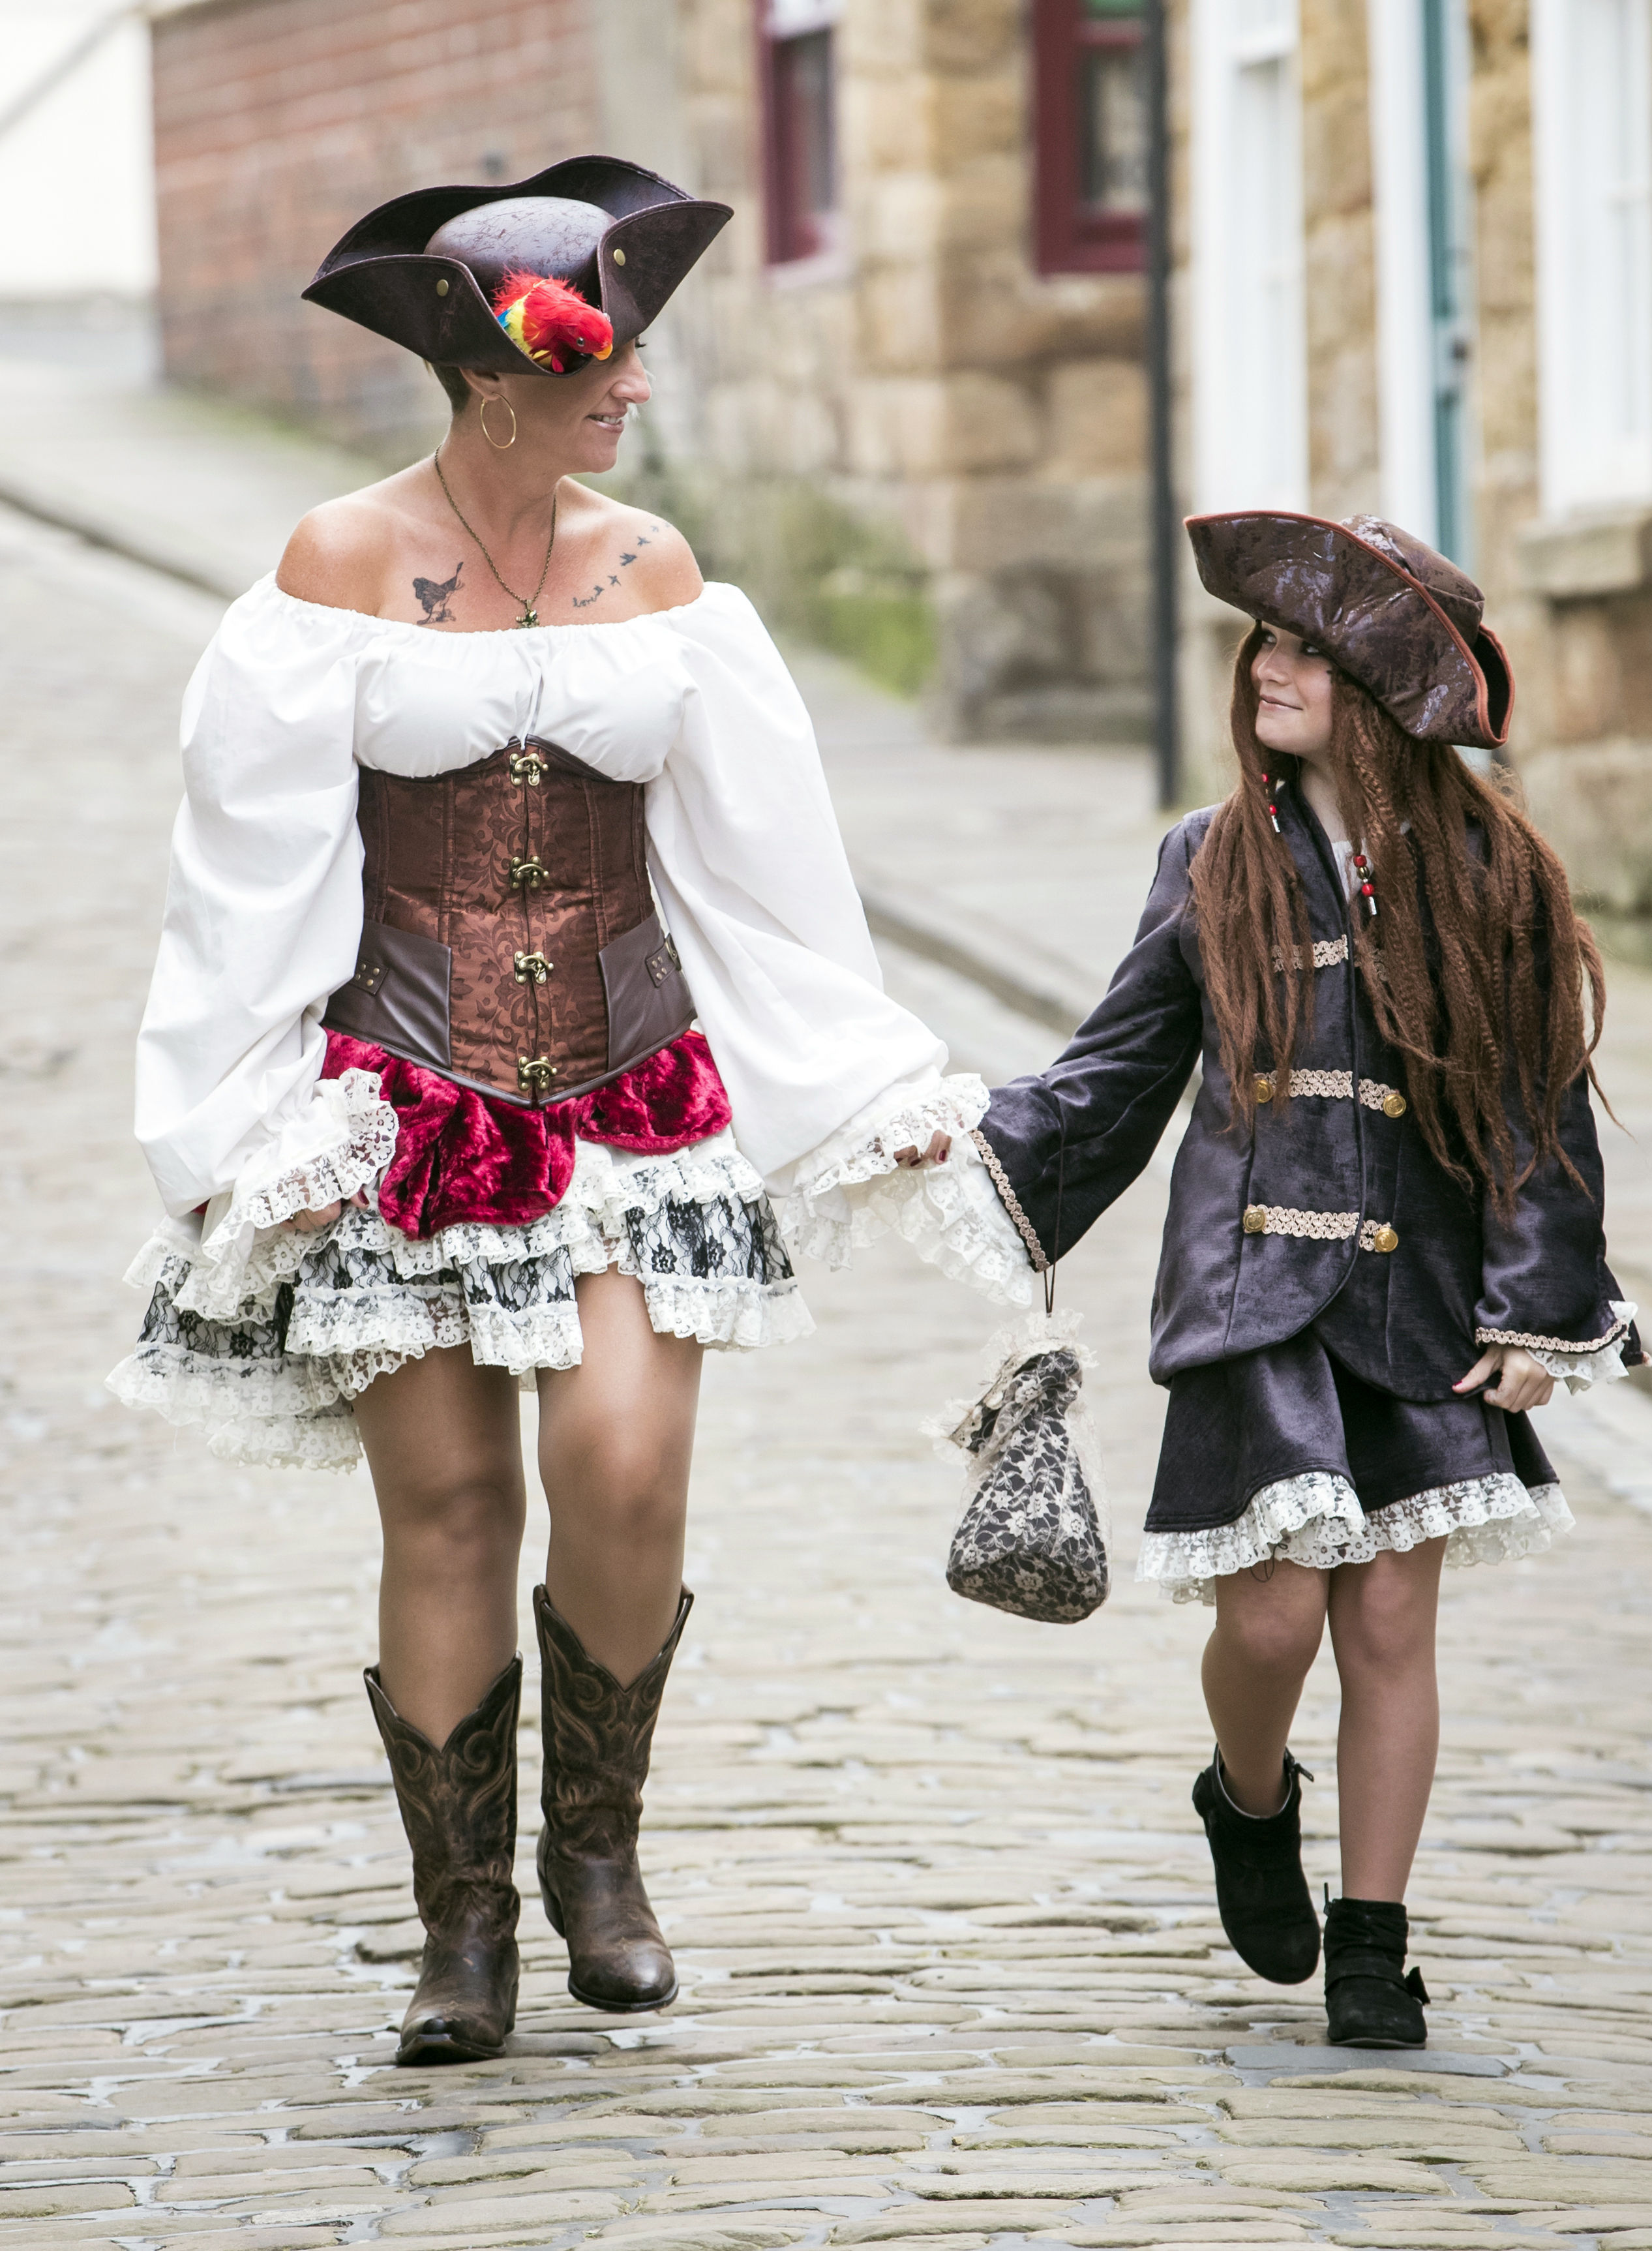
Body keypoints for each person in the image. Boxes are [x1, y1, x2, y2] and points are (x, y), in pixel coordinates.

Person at [109, 158, 1028, 2066]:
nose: (632, 389)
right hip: (408, 1106)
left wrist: (864, 1076)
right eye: (600, 361)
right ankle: (464, 1934)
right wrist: (237, 1128)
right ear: (489, 378)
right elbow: (249, 877)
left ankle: (595, 1859)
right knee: (448, 1501)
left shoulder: (660, 576)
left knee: (623, 1460)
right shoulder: (334, 569)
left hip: (626, 1094)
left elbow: (757, 867)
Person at [970, 511, 1641, 2047]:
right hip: (1249, 1296)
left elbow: (1537, 1102)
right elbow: (1116, 1071)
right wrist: (971, 1149)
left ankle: (1372, 1942)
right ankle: (1246, 1795)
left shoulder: (1489, 869)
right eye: (1261, 643)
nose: (1266, 667)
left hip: (1425, 1311)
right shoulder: (1207, 860)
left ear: (1383, 686)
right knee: (1269, 1621)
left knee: (1389, 1623)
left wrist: (1540, 1306)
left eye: (1304, 650)